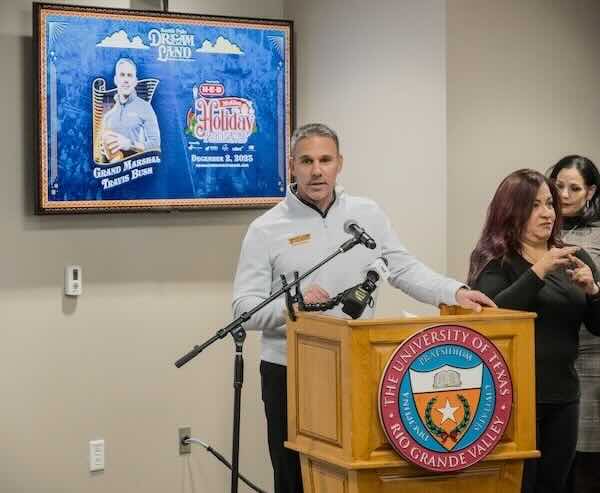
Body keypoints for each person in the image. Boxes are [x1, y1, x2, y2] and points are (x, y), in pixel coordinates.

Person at [232, 123, 495, 493]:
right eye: (306, 161)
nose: (316, 170)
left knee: (353, 473)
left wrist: (454, 292)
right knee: (294, 477)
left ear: (340, 164)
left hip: (356, 367)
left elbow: (403, 268)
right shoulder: (266, 228)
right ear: (291, 166)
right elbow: (244, 307)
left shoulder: (366, 213)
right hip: (291, 372)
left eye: (325, 160)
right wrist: (297, 306)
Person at [467, 169, 600, 493]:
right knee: (518, 486)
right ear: (512, 212)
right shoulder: (495, 260)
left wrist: (594, 291)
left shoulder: (574, 256)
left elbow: (597, 326)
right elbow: (496, 316)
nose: (547, 213)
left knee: (554, 485)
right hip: (511, 399)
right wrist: (539, 270)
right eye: (535, 206)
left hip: (564, 395)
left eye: (549, 204)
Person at [548, 155, 600, 493]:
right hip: (552, 347)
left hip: (594, 350)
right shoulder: (537, 225)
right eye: (558, 186)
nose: (564, 195)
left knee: (588, 452)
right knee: (554, 453)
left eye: (575, 188)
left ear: (591, 191)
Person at [100, 58, 160, 162]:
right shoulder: (108, 116)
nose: (126, 80)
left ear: (135, 81)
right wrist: (104, 150)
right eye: (122, 75)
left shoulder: (145, 107)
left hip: (139, 172)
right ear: (116, 80)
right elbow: (105, 155)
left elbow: (155, 145)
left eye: (129, 75)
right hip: (113, 175)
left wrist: (130, 145)